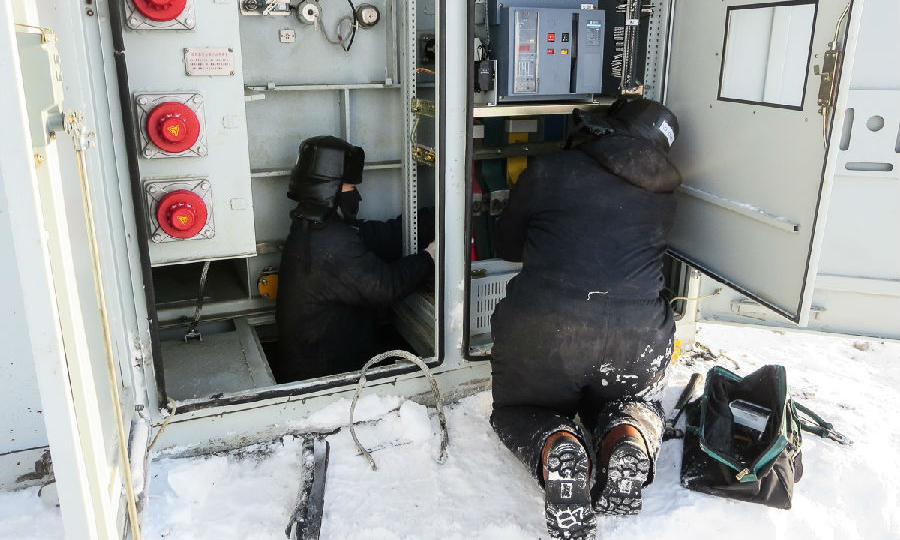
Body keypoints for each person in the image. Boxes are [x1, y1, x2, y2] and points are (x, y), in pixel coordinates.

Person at [489, 98, 682, 539]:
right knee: (633, 404)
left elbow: (507, 245)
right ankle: (626, 437)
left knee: (520, 410)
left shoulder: (550, 170)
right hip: (636, 340)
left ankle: (560, 445)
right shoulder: (666, 195)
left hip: (545, 334)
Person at [276, 136, 435, 381]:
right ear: (331, 188)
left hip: (313, 362)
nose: (356, 195)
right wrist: (428, 258)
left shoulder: (312, 227)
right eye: (351, 187)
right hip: (326, 379)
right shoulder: (332, 243)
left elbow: (382, 235)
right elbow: (385, 287)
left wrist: (436, 215)